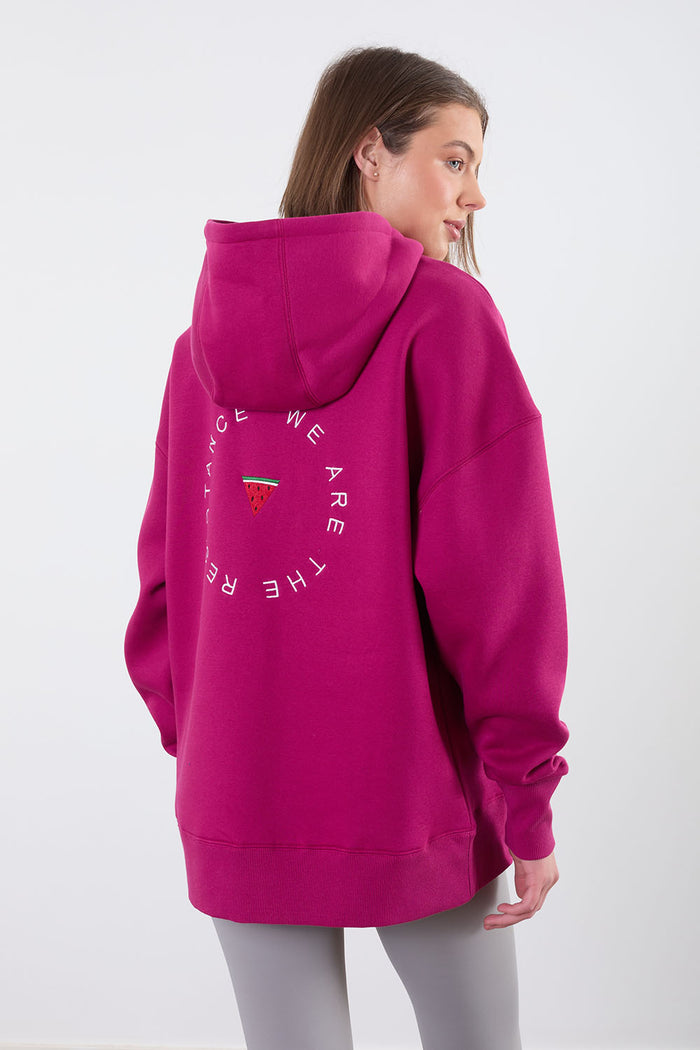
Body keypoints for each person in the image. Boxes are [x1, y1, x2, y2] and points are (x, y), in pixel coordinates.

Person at [124, 44, 570, 1050]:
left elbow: (161, 587)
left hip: (237, 789)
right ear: (370, 151)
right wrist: (525, 797)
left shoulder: (196, 346)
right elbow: (499, 592)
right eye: (454, 160)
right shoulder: (447, 318)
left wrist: (213, 740)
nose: (476, 195)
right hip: (407, 796)